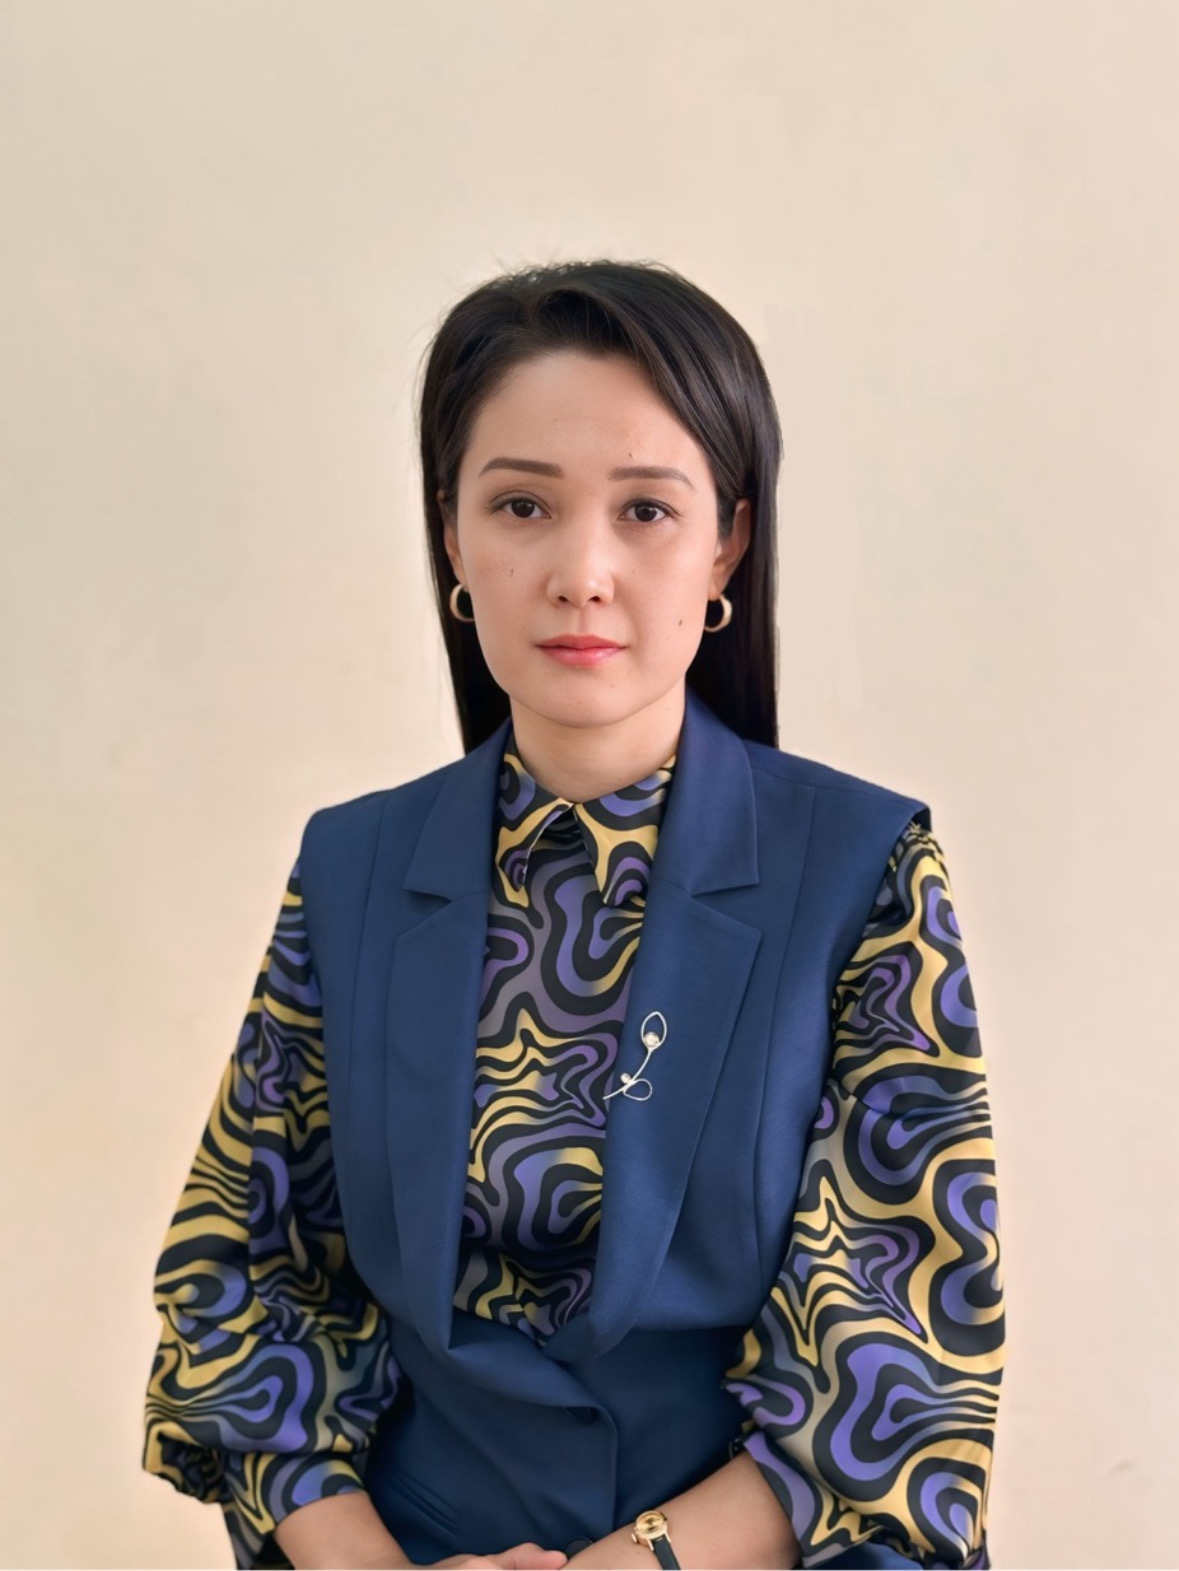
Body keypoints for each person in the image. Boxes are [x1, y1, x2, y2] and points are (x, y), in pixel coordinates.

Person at [142, 260, 1005, 1571]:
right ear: (452, 539)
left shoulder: (862, 869)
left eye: (646, 510)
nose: (581, 572)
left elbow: (902, 1339)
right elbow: (244, 1272)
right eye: (523, 506)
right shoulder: (352, 867)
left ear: (726, 544)